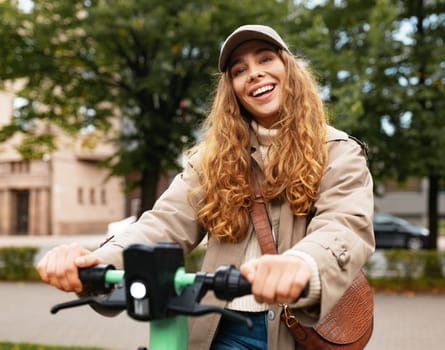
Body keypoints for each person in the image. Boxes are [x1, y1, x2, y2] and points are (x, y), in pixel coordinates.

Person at [37, 24, 375, 350]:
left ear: (290, 69)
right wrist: (95, 263)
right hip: (220, 326)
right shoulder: (211, 160)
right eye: (239, 70)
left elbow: (343, 226)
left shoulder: (338, 151)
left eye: (266, 59)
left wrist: (302, 264)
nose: (254, 73)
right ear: (232, 90)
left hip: (301, 330)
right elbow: (164, 224)